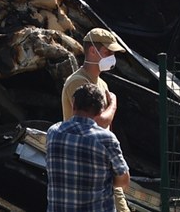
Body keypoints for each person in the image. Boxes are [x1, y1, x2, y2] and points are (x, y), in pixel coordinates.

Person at [60, 28, 128, 212]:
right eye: (108, 52)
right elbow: (97, 123)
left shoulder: (101, 83)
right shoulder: (78, 82)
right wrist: (113, 103)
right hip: (86, 167)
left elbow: (107, 129)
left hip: (104, 165)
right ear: (92, 51)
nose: (112, 57)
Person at [46, 83, 130, 212]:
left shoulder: (53, 133)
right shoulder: (106, 140)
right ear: (101, 110)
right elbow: (123, 180)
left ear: (73, 105)